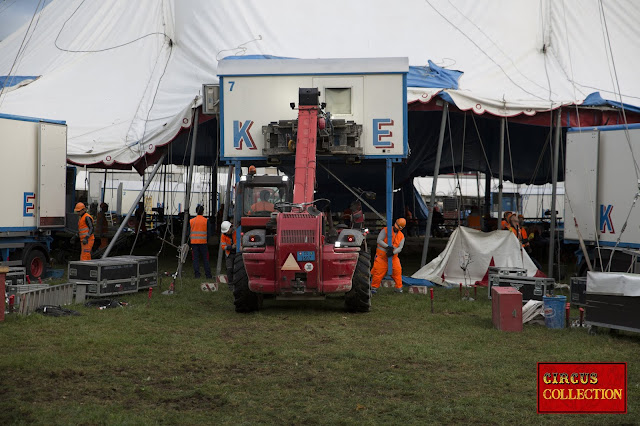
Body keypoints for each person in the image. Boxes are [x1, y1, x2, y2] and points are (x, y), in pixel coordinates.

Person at [370, 218, 406, 294]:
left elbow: (400, 248)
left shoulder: (401, 236)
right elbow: (379, 240)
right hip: (381, 257)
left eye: (398, 228)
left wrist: (393, 253)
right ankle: (373, 288)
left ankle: (399, 288)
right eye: (396, 226)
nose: (395, 228)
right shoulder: (385, 230)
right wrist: (387, 247)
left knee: (397, 271)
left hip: (394, 258)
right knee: (378, 272)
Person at [189, 205, 212, 279]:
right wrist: (206, 240)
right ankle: (208, 275)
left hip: (194, 243)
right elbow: (209, 233)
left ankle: (197, 275)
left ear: (196, 211)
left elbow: (188, 233)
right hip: (203, 243)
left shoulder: (191, 221)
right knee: (206, 259)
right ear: (203, 211)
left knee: (195, 259)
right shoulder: (206, 220)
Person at [220, 220, 237, 287]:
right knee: (229, 269)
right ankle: (230, 284)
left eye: (227, 231)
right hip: (229, 254)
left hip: (237, 253)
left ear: (230, 227)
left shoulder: (236, 232)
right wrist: (231, 247)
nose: (227, 232)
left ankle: (236, 283)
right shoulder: (223, 235)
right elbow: (223, 246)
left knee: (236, 269)